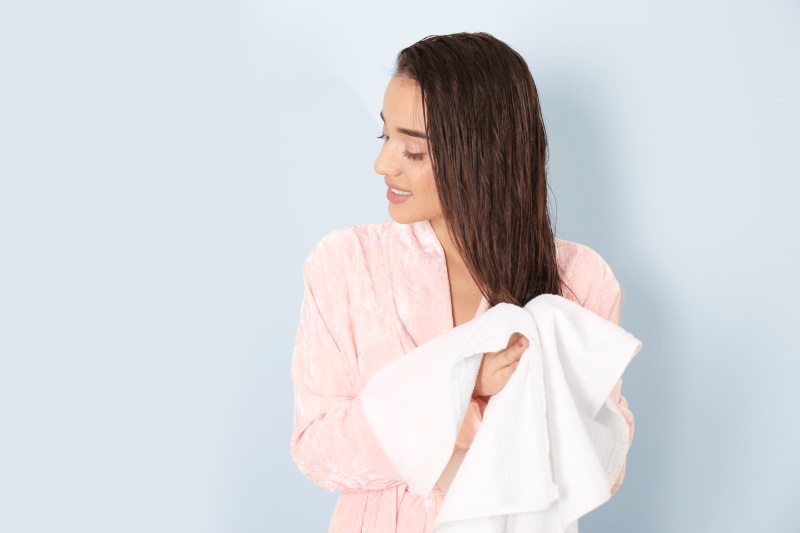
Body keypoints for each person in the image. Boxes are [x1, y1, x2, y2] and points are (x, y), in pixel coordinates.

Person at [290, 32, 634, 533]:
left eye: (413, 151)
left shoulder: (579, 281)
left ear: (483, 153)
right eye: (386, 137)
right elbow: (318, 448)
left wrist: (529, 395)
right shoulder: (347, 264)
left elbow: (605, 465)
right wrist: (462, 387)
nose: (383, 164)